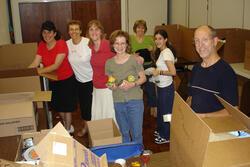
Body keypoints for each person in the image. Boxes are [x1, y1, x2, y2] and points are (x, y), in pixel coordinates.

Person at [29, 20, 76, 133]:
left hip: (66, 80)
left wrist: (39, 71)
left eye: (49, 32)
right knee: (58, 106)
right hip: (53, 80)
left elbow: (56, 65)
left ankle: (68, 130)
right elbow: (35, 62)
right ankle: (66, 124)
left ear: (55, 33)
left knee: (67, 107)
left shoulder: (61, 44)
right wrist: (25, 72)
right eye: (44, 32)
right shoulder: (41, 45)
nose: (47, 35)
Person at [187, 25, 238, 117]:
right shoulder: (196, 68)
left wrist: (204, 116)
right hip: (196, 125)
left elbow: (233, 111)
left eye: (205, 40)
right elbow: (191, 97)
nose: (200, 45)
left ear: (215, 41)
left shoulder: (225, 72)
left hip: (214, 128)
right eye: (197, 41)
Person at [105, 30, 146, 144]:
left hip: (135, 101)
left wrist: (133, 84)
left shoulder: (134, 60)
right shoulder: (109, 63)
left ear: (127, 44)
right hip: (118, 102)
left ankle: (138, 156)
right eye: (117, 43)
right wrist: (111, 85)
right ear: (113, 45)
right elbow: (111, 80)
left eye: (123, 43)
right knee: (124, 133)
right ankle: (128, 157)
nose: (120, 46)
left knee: (136, 133)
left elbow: (143, 78)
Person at [66, 20, 93, 137]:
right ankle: (87, 127)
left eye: (76, 29)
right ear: (68, 31)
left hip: (92, 80)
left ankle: (88, 129)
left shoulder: (88, 42)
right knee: (84, 108)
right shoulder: (67, 44)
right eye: (71, 29)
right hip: (78, 81)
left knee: (90, 108)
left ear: (81, 31)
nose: (74, 31)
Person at [86, 20, 116, 121]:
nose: (94, 32)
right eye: (91, 29)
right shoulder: (89, 47)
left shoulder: (108, 45)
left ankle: (116, 137)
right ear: (88, 32)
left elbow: (118, 65)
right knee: (99, 118)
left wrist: (111, 82)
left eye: (96, 29)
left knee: (110, 118)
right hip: (96, 89)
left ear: (101, 32)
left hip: (108, 89)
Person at [151, 29, 176, 144]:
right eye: (156, 39)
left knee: (166, 113)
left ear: (165, 39)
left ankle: (167, 136)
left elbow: (173, 72)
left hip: (167, 88)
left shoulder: (166, 52)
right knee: (161, 111)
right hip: (162, 87)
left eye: (160, 38)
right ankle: (161, 131)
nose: (157, 41)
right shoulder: (162, 51)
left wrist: (159, 72)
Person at [130, 19, 157, 116]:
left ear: (145, 29)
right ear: (135, 29)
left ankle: (153, 106)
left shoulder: (149, 39)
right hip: (136, 67)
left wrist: (152, 49)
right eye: (138, 28)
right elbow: (126, 51)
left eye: (142, 28)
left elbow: (155, 50)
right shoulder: (130, 39)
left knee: (150, 87)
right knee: (136, 87)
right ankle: (136, 108)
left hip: (148, 66)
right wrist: (132, 54)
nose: (140, 30)